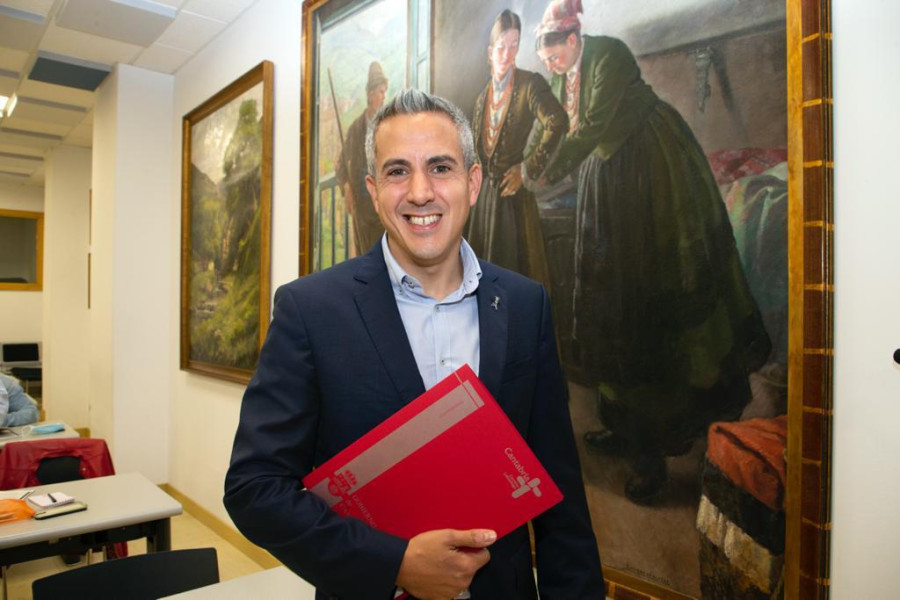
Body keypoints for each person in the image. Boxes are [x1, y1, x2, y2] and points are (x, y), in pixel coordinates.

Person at [225, 89, 605, 599]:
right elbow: (255, 489)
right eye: (398, 171)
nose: (420, 192)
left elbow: (559, 497)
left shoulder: (524, 303)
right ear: (373, 190)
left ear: (473, 183)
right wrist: (394, 564)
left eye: (441, 168)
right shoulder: (310, 310)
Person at [533, 0, 771, 504]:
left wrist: (543, 175)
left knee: (644, 307)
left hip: (650, 171)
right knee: (610, 303)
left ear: (574, 39)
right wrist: (530, 162)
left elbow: (590, 128)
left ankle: (652, 455)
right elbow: (557, 128)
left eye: (555, 53)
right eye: (546, 57)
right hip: (607, 176)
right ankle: (623, 426)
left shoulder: (609, 55)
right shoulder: (563, 75)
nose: (551, 64)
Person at [465, 10, 566, 291]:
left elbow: (557, 121)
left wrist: (526, 169)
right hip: (484, 202)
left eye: (514, 46)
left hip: (513, 202)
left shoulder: (530, 84)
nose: (507, 54)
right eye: (501, 47)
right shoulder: (481, 98)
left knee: (513, 280)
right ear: (490, 52)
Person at [336, 61, 389, 255]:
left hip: (384, 204)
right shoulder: (356, 129)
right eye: (381, 92)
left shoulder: (389, 125)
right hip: (362, 207)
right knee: (364, 259)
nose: (384, 97)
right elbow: (341, 165)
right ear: (370, 95)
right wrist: (346, 187)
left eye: (385, 91)